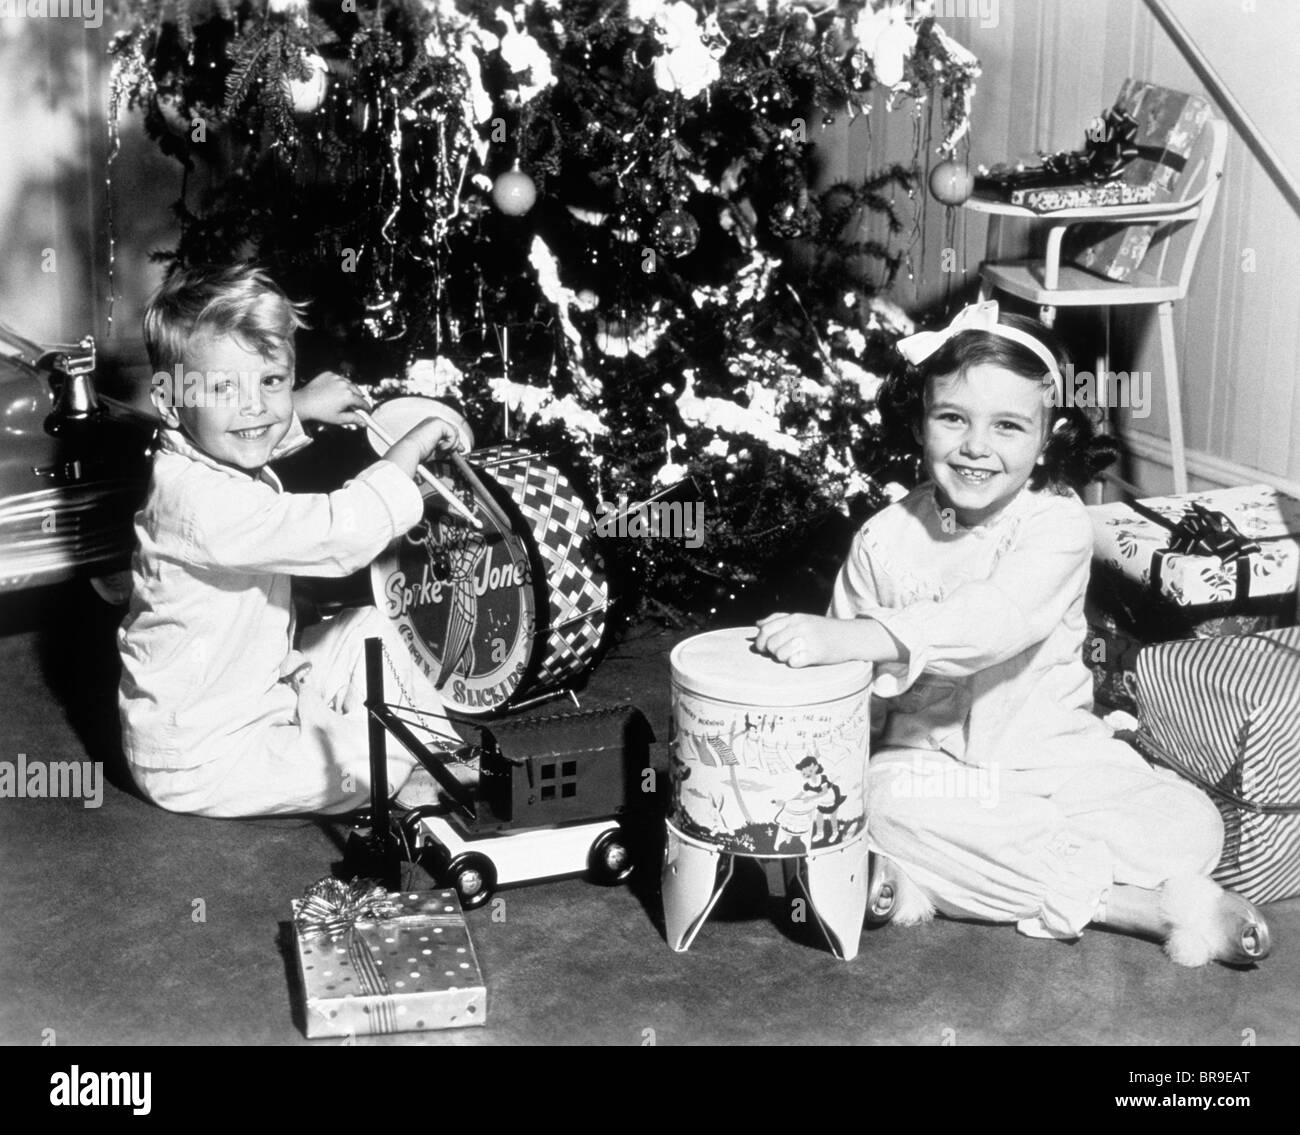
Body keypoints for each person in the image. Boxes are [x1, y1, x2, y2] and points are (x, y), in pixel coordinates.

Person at [754, 300, 1271, 966]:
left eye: (1007, 425)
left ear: (1047, 436)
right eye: (952, 419)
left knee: (1190, 825)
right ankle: (1135, 906)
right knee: (883, 803)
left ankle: (956, 874)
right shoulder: (884, 538)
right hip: (938, 773)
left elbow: (993, 620)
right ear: (919, 422)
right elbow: (849, 693)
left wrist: (863, 638)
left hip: (1055, 761)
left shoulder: (1055, 522)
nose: (976, 446)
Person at [118, 262, 460, 817]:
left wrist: (299, 405)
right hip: (202, 755)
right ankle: (400, 762)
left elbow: (238, 435)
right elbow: (336, 533)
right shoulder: (198, 504)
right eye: (224, 386)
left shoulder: (202, 454)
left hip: (259, 686)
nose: (255, 406)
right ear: (168, 401)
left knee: (366, 626)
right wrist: (406, 455)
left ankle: (438, 751)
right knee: (377, 756)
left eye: (271, 381)